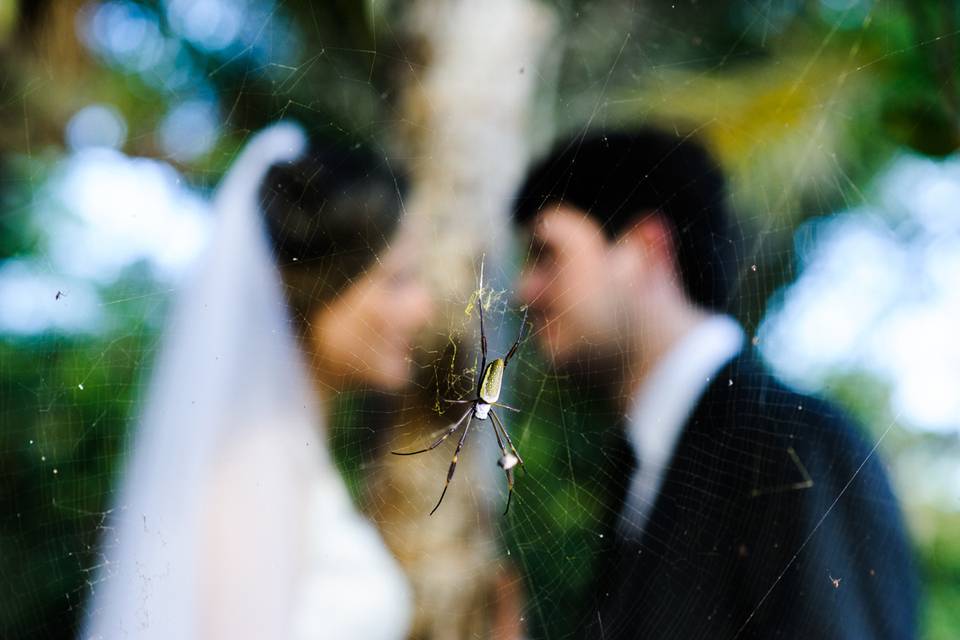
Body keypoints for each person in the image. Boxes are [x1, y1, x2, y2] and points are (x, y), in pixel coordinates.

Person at [512, 129, 919, 639]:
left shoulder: (793, 446)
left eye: (546, 253)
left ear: (645, 249)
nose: (522, 290)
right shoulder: (643, 463)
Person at [82, 123, 432, 639]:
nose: (421, 309)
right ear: (321, 283)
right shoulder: (253, 466)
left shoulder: (290, 455)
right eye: (395, 281)